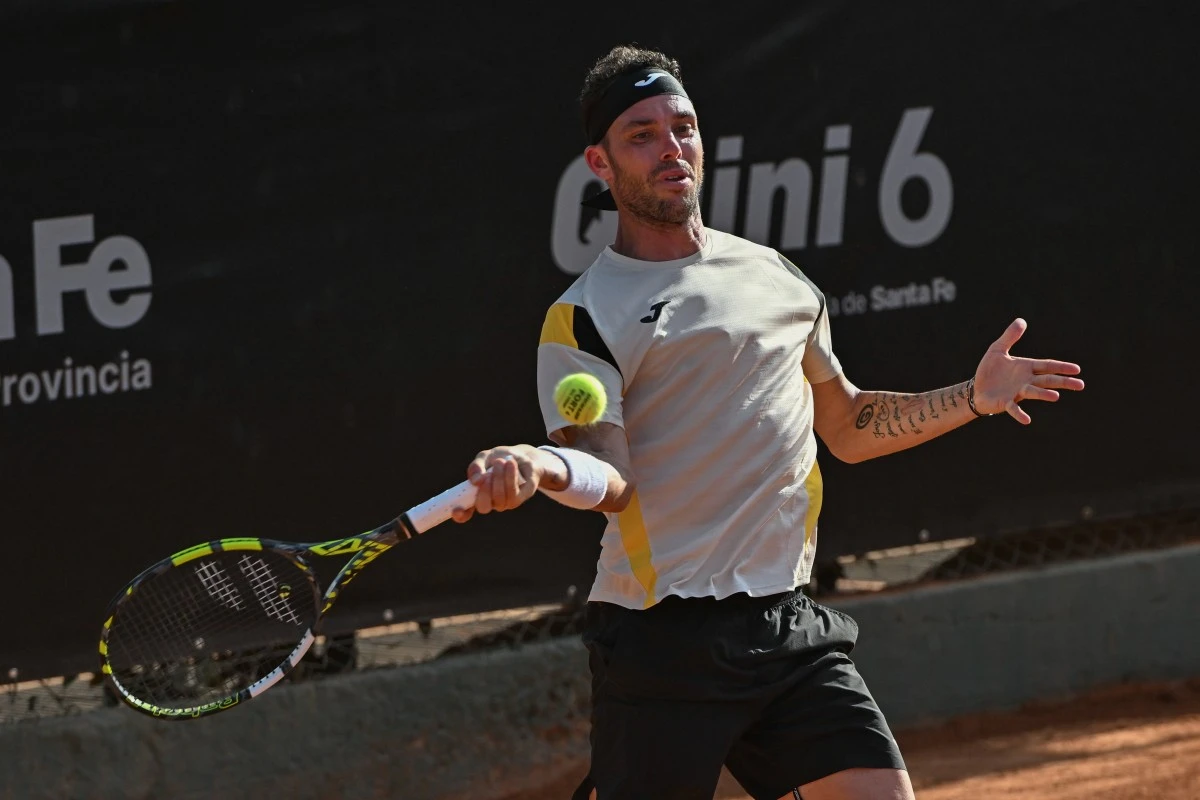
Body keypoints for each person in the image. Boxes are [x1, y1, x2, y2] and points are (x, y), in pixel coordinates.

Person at [450, 45, 1084, 800]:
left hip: (787, 626)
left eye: (683, 127)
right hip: (662, 641)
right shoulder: (584, 316)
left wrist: (971, 397)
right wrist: (541, 464)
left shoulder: (776, 277)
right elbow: (610, 478)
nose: (671, 148)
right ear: (600, 163)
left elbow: (847, 426)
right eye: (641, 135)